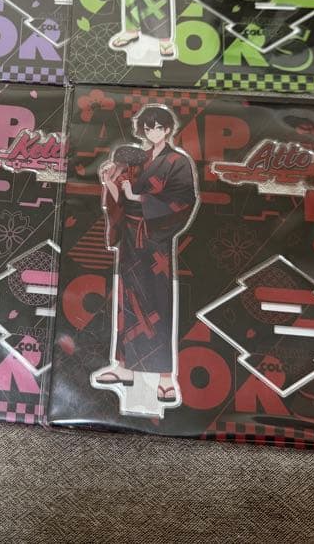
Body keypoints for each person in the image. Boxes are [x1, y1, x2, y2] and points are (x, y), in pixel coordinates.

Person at [95, 105, 198, 404]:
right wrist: (109, 183)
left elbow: (184, 201)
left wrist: (139, 197)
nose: (152, 133)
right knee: (127, 298)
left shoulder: (178, 161)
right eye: (148, 128)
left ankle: (165, 377)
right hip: (130, 235)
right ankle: (124, 366)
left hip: (154, 239)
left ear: (168, 129)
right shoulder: (136, 161)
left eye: (158, 127)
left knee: (158, 302)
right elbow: (120, 202)